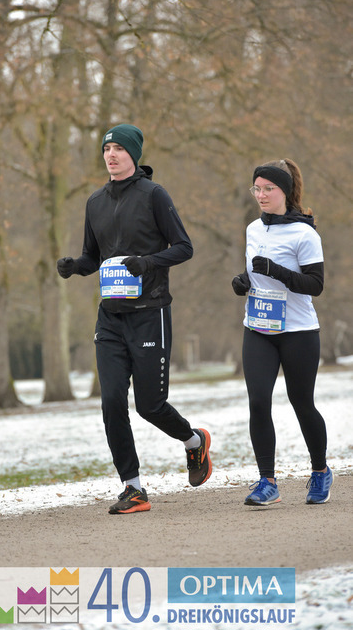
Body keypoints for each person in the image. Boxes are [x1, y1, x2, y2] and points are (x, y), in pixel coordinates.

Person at [57, 123, 212, 514]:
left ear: (133, 154)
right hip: (110, 317)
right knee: (111, 402)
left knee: (150, 406)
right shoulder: (95, 201)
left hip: (149, 313)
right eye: (106, 149)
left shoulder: (154, 195)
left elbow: (184, 247)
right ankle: (133, 488)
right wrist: (75, 266)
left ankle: (194, 442)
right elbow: (94, 257)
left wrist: (148, 262)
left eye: (119, 149)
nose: (111, 155)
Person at [232, 158, 332, 506]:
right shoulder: (252, 229)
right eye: (256, 189)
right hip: (258, 327)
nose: (261, 195)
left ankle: (320, 471)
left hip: (298, 331)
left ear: (285, 192)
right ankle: (267, 482)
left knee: (301, 402)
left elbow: (315, 285)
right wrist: (243, 281)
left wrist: (276, 271)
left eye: (268, 189)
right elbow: (254, 274)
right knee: (258, 401)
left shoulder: (305, 234)